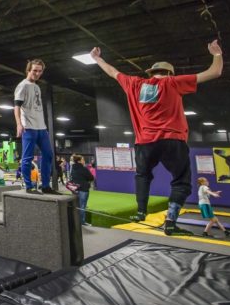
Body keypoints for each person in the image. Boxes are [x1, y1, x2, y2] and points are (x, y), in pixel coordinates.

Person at [90, 40, 223, 236]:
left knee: (142, 175)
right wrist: (217, 54)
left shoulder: (134, 83)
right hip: (172, 140)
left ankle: (141, 211)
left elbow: (112, 71)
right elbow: (214, 72)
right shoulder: (172, 82)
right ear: (170, 73)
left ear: (151, 73)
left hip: (144, 142)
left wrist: (97, 58)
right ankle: (170, 221)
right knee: (181, 182)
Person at [14, 59, 57, 195]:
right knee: (27, 158)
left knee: (48, 155)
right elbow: (16, 107)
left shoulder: (37, 87)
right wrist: (19, 124)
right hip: (29, 127)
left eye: (39, 71)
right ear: (28, 70)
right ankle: (29, 186)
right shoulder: (23, 86)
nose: (37, 73)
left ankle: (45, 186)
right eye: (34, 71)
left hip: (41, 127)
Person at [69, 154, 95, 226]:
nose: (84, 161)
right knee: (82, 206)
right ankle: (82, 222)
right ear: (79, 161)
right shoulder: (84, 169)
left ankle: (76, 222)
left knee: (76, 206)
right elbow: (91, 178)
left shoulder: (72, 168)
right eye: (83, 159)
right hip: (83, 189)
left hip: (75, 190)